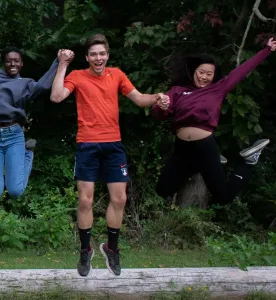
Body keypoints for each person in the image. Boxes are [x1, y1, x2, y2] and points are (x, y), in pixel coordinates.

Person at [50, 34, 167, 277]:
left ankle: (111, 249)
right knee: (85, 200)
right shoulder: (78, 76)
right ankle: (85, 250)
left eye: (102, 53)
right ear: (87, 57)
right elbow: (57, 96)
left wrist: (157, 98)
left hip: (114, 145)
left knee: (119, 199)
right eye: (93, 54)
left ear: (107, 55)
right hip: (87, 144)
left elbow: (139, 99)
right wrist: (62, 64)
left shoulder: (117, 75)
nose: (98, 58)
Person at [152, 38, 276, 207]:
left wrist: (266, 50)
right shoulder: (177, 91)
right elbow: (159, 115)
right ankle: (208, 162)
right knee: (162, 190)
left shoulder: (217, 89)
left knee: (223, 197)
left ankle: (248, 161)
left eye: (209, 74)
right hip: (182, 149)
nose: (204, 77)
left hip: (205, 146)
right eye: (201, 72)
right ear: (193, 70)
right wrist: (162, 106)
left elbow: (242, 71)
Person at [0, 44, 71, 202]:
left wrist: (58, 62)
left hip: (14, 136)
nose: (13, 64)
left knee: (16, 191)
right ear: (3, 62)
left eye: (16, 61)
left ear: (22, 63)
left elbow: (44, 85)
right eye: (8, 61)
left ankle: (27, 153)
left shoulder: (26, 84)